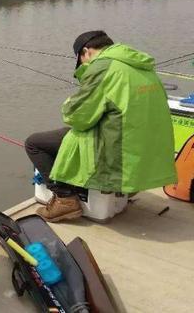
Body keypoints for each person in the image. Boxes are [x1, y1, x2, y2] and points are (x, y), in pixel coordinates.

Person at [25, 31, 176, 223]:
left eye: (82, 62)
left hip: (117, 151)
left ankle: (65, 200)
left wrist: (70, 102)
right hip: (143, 151)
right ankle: (123, 193)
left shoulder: (103, 67)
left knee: (35, 143)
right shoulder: (140, 65)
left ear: (86, 52)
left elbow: (77, 117)